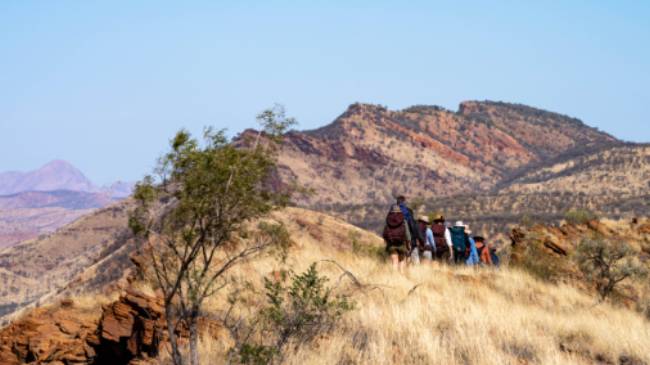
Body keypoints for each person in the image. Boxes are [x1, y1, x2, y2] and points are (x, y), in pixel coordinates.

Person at [382, 204, 411, 272]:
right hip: (401, 244)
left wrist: (387, 242)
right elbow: (407, 234)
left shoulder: (388, 221)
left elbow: (385, 233)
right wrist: (408, 244)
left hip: (391, 244)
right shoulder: (403, 221)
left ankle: (394, 277)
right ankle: (401, 277)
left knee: (394, 262)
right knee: (401, 261)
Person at [396, 196, 422, 264]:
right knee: (408, 256)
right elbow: (412, 225)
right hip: (407, 238)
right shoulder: (408, 211)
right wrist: (415, 238)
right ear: (404, 201)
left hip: (394, 238)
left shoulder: (393, 211)